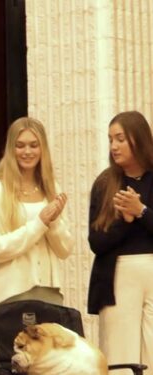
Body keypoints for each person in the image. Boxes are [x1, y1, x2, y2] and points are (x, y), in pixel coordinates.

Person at [0, 117, 73, 307]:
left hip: (49, 294)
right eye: (20, 146)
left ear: (42, 148)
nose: (27, 152)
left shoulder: (52, 188)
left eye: (33, 145)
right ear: (11, 149)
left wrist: (52, 222)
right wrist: (39, 224)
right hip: (10, 296)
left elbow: (65, 250)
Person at [88, 110, 153, 370]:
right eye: (110, 139)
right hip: (116, 276)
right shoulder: (105, 183)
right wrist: (124, 222)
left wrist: (142, 212)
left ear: (138, 139)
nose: (113, 146)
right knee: (121, 357)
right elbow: (96, 242)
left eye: (120, 139)